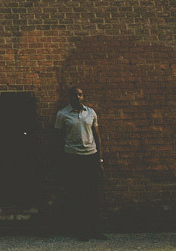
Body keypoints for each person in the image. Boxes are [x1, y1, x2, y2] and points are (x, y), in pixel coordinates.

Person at [53, 86, 106, 241]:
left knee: (93, 195)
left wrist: (100, 160)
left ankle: (95, 230)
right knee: (77, 195)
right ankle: (81, 231)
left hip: (91, 156)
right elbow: (57, 138)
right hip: (73, 158)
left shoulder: (91, 113)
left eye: (80, 95)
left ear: (83, 96)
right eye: (75, 95)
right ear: (70, 97)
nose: (78, 97)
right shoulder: (62, 114)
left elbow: (97, 137)